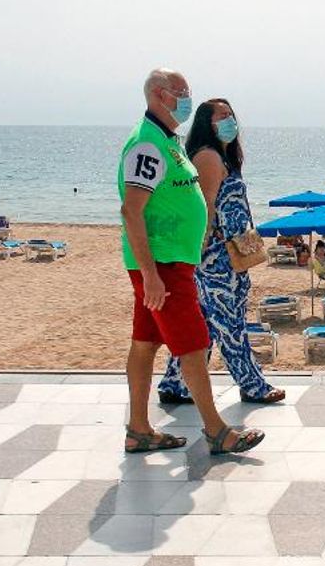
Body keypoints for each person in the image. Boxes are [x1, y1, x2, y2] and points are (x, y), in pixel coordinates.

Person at [119, 68, 263, 456]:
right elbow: (132, 211)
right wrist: (150, 274)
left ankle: (138, 429)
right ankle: (216, 430)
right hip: (162, 264)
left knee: (146, 343)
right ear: (159, 95)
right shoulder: (147, 145)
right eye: (180, 91)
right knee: (194, 345)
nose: (186, 97)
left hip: (171, 262)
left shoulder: (168, 141)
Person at [157, 100, 284, 406]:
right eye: (222, 116)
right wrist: (199, 250)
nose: (230, 121)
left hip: (230, 252)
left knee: (205, 323)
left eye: (231, 115)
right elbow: (206, 206)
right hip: (217, 256)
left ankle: (175, 383)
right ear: (207, 124)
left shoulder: (223, 157)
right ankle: (252, 385)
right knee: (231, 321)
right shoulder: (209, 157)